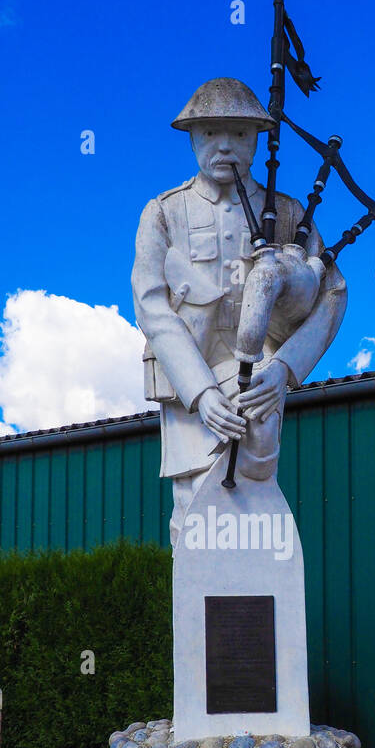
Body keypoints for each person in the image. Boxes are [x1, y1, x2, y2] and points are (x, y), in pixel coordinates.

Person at [132, 77, 347, 545]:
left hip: (260, 375)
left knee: (254, 493)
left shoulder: (288, 214)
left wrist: (287, 366)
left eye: (240, 133)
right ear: (191, 139)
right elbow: (153, 307)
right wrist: (201, 393)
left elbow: (331, 294)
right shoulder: (164, 213)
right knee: (195, 502)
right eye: (210, 133)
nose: (225, 146)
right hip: (192, 375)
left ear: (259, 139)